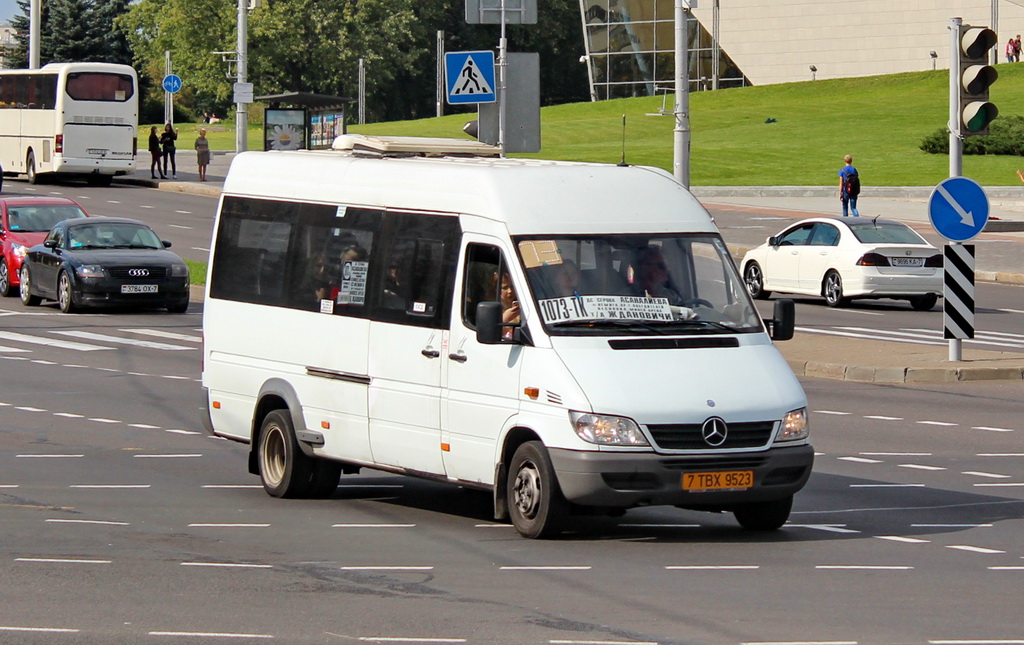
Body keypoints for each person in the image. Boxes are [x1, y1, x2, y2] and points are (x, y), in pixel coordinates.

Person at [499, 271, 520, 338]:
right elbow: (490, 334)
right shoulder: (493, 310)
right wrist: (504, 320)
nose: (510, 291)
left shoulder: (523, 305)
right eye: (504, 288)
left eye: (512, 286)